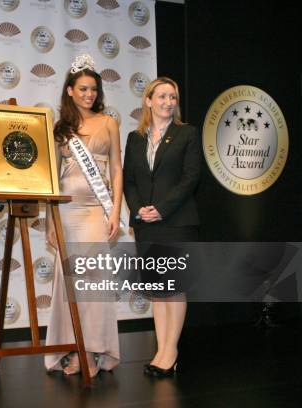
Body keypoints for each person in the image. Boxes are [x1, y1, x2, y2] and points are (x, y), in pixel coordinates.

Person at [44, 54, 123, 378]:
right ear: (70, 90)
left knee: (93, 283)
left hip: (95, 210)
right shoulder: (60, 127)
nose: (89, 94)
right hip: (66, 211)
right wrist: (50, 220)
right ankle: (73, 348)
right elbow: (51, 175)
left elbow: (117, 169)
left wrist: (116, 210)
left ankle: (92, 353)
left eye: (93, 89)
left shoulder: (108, 123)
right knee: (70, 284)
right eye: (83, 89)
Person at [123, 77, 201, 378]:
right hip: (147, 224)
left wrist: (162, 210)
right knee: (157, 289)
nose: (168, 102)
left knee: (173, 288)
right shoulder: (135, 137)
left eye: (173, 97)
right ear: (149, 100)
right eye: (163, 96)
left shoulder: (187, 134)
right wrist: (139, 209)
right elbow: (130, 180)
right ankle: (161, 350)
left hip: (177, 222)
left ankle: (170, 351)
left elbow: (191, 178)